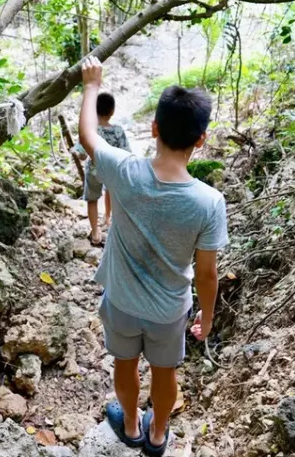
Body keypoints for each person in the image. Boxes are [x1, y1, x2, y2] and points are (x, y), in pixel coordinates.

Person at [77, 56, 228, 456]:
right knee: (165, 373)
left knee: (124, 365)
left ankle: (130, 425)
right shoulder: (209, 202)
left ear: (154, 128)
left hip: (122, 302)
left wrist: (92, 84)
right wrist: (207, 316)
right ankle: (158, 435)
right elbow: (207, 274)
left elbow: (89, 135)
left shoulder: (124, 171)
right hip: (169, 311)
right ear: (201, 139)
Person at [72, 92, 131, 247]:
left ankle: (96, 232)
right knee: (110, 191)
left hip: (93, 171)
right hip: (112, 171)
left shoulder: (90, 131)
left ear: (94, 111)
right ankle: (108, 218)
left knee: (92, 199)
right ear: (112, 111)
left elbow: (82, 155)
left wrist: (76, 152)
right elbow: (127, 153)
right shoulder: (118, 131)